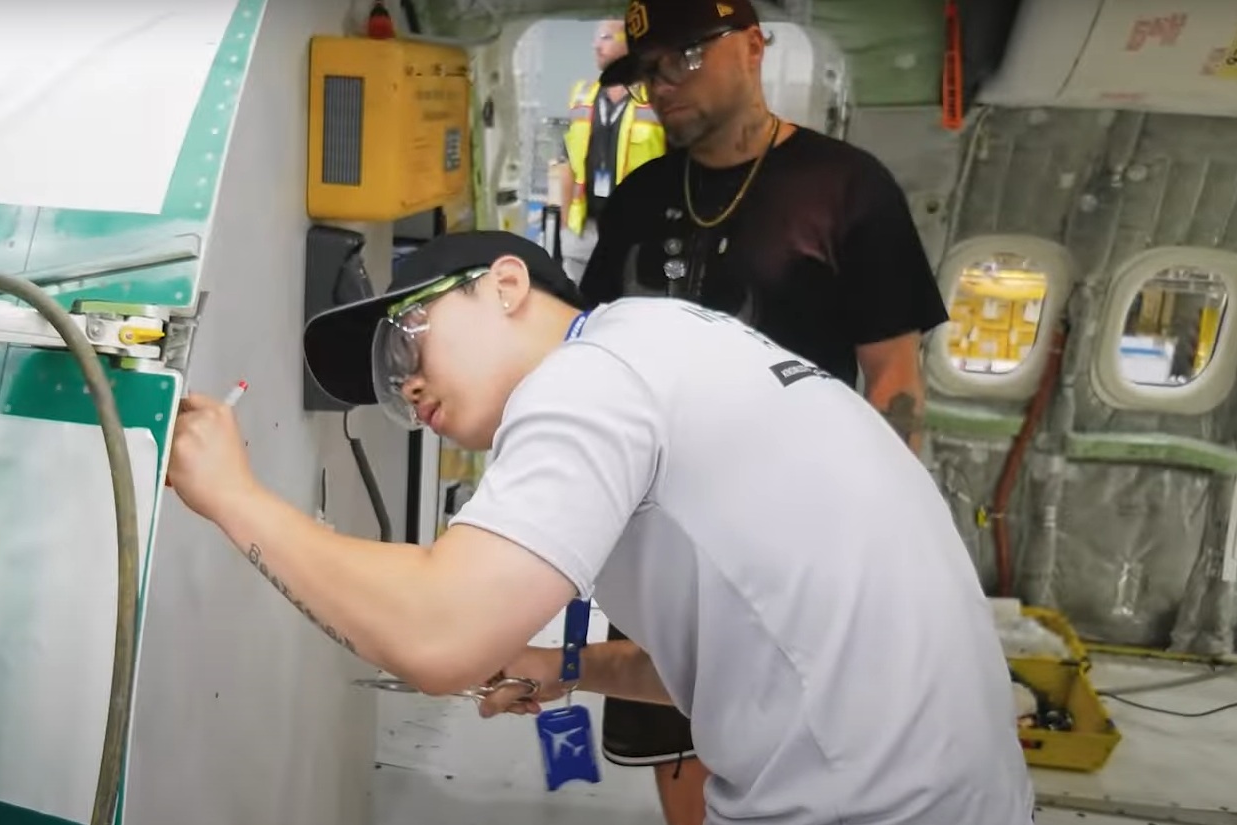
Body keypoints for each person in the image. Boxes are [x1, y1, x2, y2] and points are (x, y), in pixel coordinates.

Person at [167, 229, 1034, 825]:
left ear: (506, 284)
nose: (408, 387)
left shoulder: (588, 378)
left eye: (406, 342)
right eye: (390, 389)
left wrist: (234, 495)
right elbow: (738, 650)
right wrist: (563, 666)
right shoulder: (664, 344)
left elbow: (439, 637)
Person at [577, 2, 952, 817]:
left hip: (798, 541)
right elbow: (592, 351)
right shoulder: (639, 197)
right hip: (659, 537)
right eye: (647, 71)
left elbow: (893, 376)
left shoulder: (848, 189)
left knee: (788, 749)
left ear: (752, 45)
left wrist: (877, 537)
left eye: (682, 57)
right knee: (679, 745)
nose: (662, 85)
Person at [553, 18, 668, 284]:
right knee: (577, 297)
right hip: (584, 228)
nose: (596, 45)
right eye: (596, 38)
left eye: (605, 37)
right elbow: (568, 163)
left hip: (640, 229)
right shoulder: (582, 95)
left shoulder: (657, 97)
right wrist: (564, 224)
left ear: (630, 44)